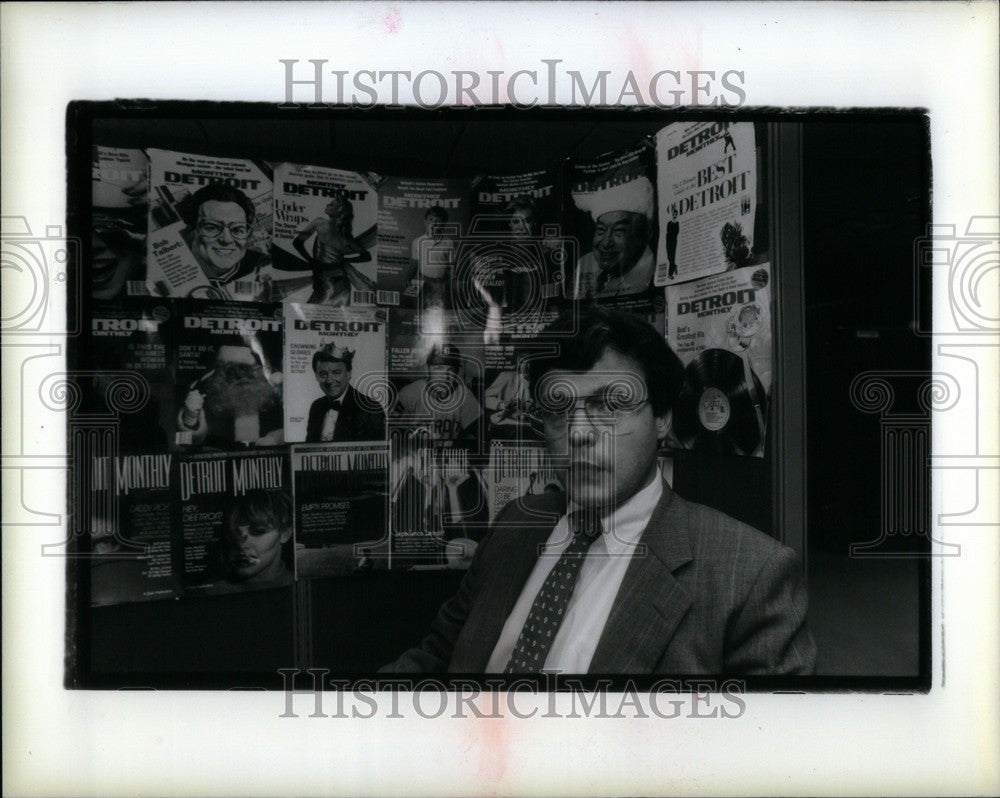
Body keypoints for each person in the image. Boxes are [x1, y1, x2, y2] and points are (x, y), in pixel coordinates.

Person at [381, 307, 816, 675]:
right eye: (558, 408)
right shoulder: (517, 522)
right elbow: (435, 659)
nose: (579, 433)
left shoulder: (751, 576)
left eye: (610, 404)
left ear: (662, 418)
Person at [177, 343, 284, 448]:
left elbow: (296, 427)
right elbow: (186, 443)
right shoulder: (202, 392)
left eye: (245, 369)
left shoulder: (274, 389)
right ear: (221, 374)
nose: (241, 376)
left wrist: (276, 438)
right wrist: (190, 418)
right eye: (232, 371)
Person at [571, 176, 656, 299]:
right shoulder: (586, 263)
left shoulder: (652, 275)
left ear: (644, 234)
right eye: (600, 230)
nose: (606, 242)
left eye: (618, 231)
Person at [181, 184, 271, 298]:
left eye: (237, 229)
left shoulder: (262, 265)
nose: (227, 240)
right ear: (190, 230)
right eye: (212, 227)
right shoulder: (178, 270)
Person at [292, 191, 374, 305]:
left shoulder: (319, 222)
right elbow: (367, 256)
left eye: (331, 204)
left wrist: (311, 261)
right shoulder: (345, 237)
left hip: (328, 281)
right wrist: (346, 260)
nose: (327, 205)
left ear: (339, 211)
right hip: (337, 282)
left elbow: (297, 243)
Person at [393, 344, 481, 444]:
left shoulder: (464, 394)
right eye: (438, 368)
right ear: (427, 370)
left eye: (451, 370)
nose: (445, 376)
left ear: (456, 373)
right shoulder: (409, 394)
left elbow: (479, 433)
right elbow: (391, 433)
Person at [305, 342, 386, 442]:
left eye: (336, 373)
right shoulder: (316, 407)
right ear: (316, 376)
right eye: (323, 374)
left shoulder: (370, 409)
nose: (329, 380)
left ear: (349, 374)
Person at [220, 490, 294, 589]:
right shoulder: (208, 592)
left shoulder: (304, 583)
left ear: (285, 533)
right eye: (234, 532)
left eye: (257, 532)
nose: (241, 545)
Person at [407, 206, 455, 307]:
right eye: (431, 219)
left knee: (441, 309)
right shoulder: (417, 242)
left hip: (441, 283)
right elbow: (414, 263)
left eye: (438, 221)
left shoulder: (449, 242)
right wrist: (407, 278)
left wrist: (451, 282)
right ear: (425, 221)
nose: (433, 223)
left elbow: (451, 266)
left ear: (443, 224)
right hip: (423, 282)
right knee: (421, 307)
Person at [666, 207, 680, 280]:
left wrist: (671, 234)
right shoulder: (669, 223)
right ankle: (674, 266)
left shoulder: (677, 223)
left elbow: (677, 232)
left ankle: (670, 274)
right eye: (674, 214)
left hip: (673, 241)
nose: (674, 215)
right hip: (668, 241)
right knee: (669, 256)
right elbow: (667, 231)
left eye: (676, 214)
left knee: (672, 257)